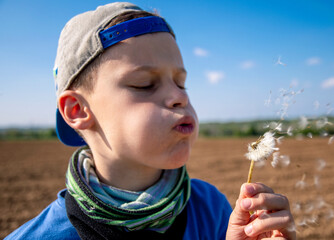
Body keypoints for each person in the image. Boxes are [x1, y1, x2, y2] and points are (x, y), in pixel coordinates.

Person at [5, 2, 296, 239]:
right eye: (144, 84)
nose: (178, 97)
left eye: (181, 83)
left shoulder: (214, 211)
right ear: (77, 110)